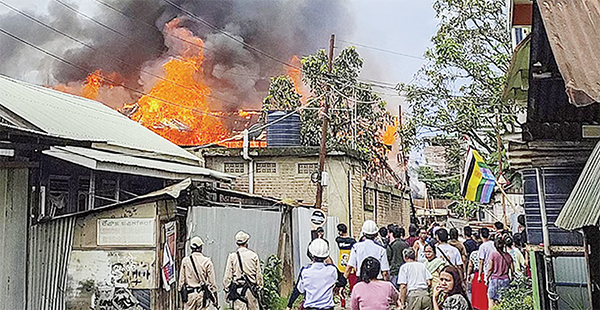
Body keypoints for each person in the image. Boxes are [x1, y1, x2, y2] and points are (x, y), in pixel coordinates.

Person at [286, 238, 338, 310]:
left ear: (311, 254)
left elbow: (298, 290)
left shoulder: (305, 272)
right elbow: (341, 281)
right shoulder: (332, 271)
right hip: (328, 308)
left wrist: (289, 305)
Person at [223, 231, 263, 310]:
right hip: (251, 290)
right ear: (246, 242)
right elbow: (258, 275)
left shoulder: (232, 257)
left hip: (238, 290)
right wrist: (259, 287)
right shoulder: (253, 256)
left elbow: (227, 277)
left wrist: (227, 290)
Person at [178, 236, 218, 310]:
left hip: (189, 295)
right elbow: (212, 283)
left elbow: (181, 282)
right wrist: (215, 297)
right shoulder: (207, 261)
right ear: (201, 247)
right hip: (201, 295)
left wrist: (182, 296)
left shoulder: (185, 261)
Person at [486, 237, 513, 309]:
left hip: (494, 279)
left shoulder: (493, 255)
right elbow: (512, 270)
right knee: (503, 300)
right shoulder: (508, 256)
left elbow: (490, 268)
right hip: (505, 279)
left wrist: (487, 277)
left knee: (491, 299)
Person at [336, 223, 356, 306]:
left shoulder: (338, 240)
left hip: (341, 265)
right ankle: (353, 302)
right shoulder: (352, 241)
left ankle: (342, 301)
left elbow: (338, 238)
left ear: (340, 231)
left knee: (341, 285)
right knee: (353, 285)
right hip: (350, 265)